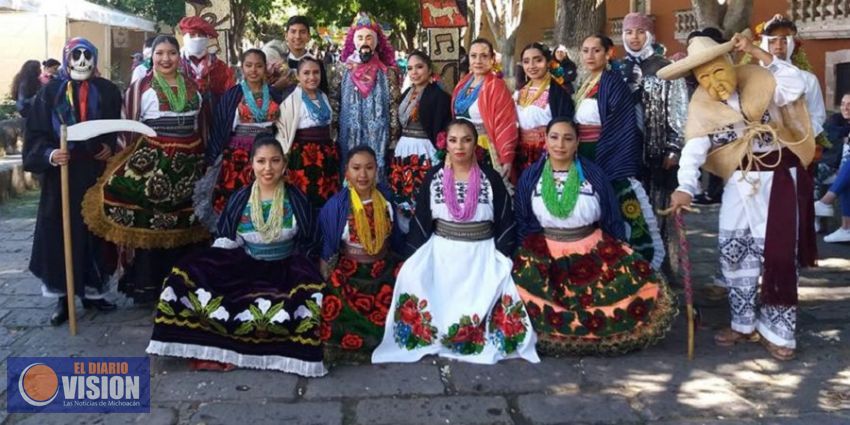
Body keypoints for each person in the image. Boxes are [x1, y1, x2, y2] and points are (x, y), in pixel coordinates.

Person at [660, 30, 817, 361]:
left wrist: (759, 53)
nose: (714, 81)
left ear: (730, 63)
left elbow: (795, 85)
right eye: (704, 77)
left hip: (779, 182)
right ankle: (743, 324)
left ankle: (780, 333)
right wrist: (685, 187)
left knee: (778, 258)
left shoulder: (763, 82)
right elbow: (695, 147)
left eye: (718, 70)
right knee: (733, 253)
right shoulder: (703, 106)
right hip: (738, 184)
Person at [147, 134, 326, 376]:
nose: (268, 168)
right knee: (185, 275)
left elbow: (309, 242)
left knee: (308, 303)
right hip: (247, 266)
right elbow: (226, 241)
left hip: (286, 269)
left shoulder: (296, 198)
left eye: (274, 161)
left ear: (284, 164)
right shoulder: (241, 198)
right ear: (252, 164)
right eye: (261, 161)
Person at [372, 119, 539, 365]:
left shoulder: (490, 178)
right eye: (453, 140)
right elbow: (421, 222)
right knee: (412, 276)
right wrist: (409, 257)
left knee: (501, 283)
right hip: (442, 253)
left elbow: (505, 221)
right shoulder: (434, 176)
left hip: (480, 255)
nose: (459, 146)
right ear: (445, 144)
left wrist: (502, 256)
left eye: (466, 139)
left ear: (475, 144)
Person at [512, 117, 676, 355]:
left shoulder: (593, 174)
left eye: (568, 138)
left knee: (631, 290)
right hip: (546, 251)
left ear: (578, 142)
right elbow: (524, 220)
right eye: (554, 137)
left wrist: (617, 257)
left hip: (591, 250)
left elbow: (611, 218)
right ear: (545, 140)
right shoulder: (531, 177)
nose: (560, 145)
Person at [82, 35, 210, 303]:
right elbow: (127, 126)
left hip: (189, 165)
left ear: (179, 55)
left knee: (187, 222)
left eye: (172, 53)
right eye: (160, 53)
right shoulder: (139, 88)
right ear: (152, 56)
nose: (166, 59)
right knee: (152, 224)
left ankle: (183, 286)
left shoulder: (194, 87)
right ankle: (149, 288)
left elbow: (203, 126)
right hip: (153, 168)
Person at [23, 38, 122, 325]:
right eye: (76, 56)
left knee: (95, 232)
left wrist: (108, 147)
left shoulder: (107, 91)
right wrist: (51, 153)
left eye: (87, 55)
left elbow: (113, 128)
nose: (81, 61)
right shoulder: (49, 94)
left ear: (95, 58)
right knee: (62, 233)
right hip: (62, 178)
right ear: (67, 59)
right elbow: (36, 136)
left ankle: (93, 292)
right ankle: (64, 298)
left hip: (95, 175)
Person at [574, 34, 665, 270]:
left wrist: (606, 162)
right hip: (585, 156)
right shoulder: (588, 82)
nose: (590, 56)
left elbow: (620, 126)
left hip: (606, 156)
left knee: (623, 211)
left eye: (596, 50)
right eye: (585, 50)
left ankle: (637, 268)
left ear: (609, 53)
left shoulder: (612, 83)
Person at [318, 145, 403, 361]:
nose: (363, 175)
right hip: (350, 273)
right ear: (346, 171)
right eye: (356, 168)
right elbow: (328, 248)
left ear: (377, 170)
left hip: (383, 269)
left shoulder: (386, 199)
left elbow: (397, 241)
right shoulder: (336, 205)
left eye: (369, 167)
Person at [619, 12, 689, 275]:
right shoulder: (617, 69)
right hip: (627, 154)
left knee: (660, 213)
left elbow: (679, 110)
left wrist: (674, 147)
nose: (634, 38)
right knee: (631, 211)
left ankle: (663, 272)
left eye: (639, 32)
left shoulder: (666, 68)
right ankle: (634, 270)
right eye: (628, 32)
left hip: (658, 154)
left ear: (649, 35)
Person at [194, 49, 283, 231]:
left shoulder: (274, 95)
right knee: (238, 202)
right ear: (242, 67)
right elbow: (219, 127)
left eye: (258, 66)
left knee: (265, 199)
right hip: (239, 157)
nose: (253, 70)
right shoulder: (232, 95)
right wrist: (213, 158)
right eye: (248, 65)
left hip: (267, 155)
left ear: (265, 68)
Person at [388, 51, 451, 232]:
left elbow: (441, 126)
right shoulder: (407, 93)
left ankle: (424, 232)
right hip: (404, 150)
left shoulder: (439, 96)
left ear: (429, 69)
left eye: (419, 67)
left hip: (424, 149)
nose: (414, 72)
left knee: (422, 192)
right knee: (404, 194)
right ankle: (406, 235)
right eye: (410, 69)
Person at [335, 11, 401, 181]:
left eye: (369, 38)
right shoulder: (342, 70)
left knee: (376, 172)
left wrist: (393, 137)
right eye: (360, 38)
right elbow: (334, 102)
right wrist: (333, 133)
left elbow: (394, 105)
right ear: (354, 41)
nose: (365, 42)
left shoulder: (387, 72)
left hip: (378, 133)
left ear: (377, 41)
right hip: (350, 133)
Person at [451, 38, 519, 183]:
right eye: (473, 56)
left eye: (484, 56)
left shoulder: (496, 86)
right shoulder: (463, 84)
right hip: (459, 146)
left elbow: (506, 123)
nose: (478, 60)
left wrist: (507, 157)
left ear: (492, 59)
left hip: (483, 147)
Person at [276, 57, 340, 209]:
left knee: (326, 197)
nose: (312, 77)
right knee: (305, 198)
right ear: (298, 76)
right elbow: (283, 133)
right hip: (304, 157)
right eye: (306, 73)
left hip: (326, 154)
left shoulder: (323, 96)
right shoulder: (291, 101)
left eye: (316, 72)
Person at [514, 43, 575, 173]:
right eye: (526, 61)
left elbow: (566, 127)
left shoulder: (559, 93)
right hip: (521, 155)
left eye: (538, 60)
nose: (531, 66)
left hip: (548, 153)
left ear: (548, 62)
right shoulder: (520, 92)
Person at [178, 16, 235, 116]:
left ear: (207, 38)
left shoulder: (220, 67)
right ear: (184, 37)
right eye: (192, 35)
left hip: (213, 121)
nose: (197, 39)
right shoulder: (174, 65)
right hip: (183, 123)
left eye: (201, 35)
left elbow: (230, 96)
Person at [815, 92, 850, 242]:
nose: (845, 108)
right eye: (843, 104)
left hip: (840, 167)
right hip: (833, 165)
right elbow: (828, 138)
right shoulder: (835, 120)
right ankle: (846, 228)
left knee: (845, 172)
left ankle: (825, 202)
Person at [269, 16, 329, 94]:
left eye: (302, 32)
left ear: (308, 37)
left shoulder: (317, 64)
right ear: (286, 35)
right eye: (293, 32)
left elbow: (324, 93)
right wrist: (276, 87)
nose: (298, 36)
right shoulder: (276, 63)